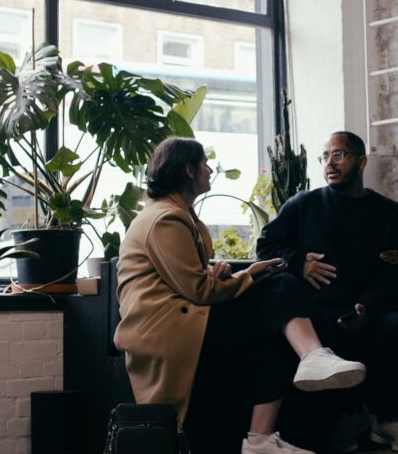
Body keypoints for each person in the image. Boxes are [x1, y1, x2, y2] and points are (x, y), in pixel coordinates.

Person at [113, 136, 367, 454]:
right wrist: (247, 274)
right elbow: (198, 291)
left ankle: (267, 430)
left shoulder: (173, 214)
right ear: (189, 170)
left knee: (276, 322)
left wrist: (219, 275)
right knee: (277, 288)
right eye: (204, 163)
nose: (209, 169)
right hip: (167, 329)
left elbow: (182, 280)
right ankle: (308, 363)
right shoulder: (167, 218)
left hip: (179, 319)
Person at [256, 131, 398, 453]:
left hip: (370, 311)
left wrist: (369, 308)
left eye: (339, 155)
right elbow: (265, 247)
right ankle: (343, 424)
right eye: (325, 156)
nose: (329, 164)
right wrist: (298, 262)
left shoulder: (389, 212)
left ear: (361, 162)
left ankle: (386, 421)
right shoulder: (303, 204)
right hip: (318, 314)